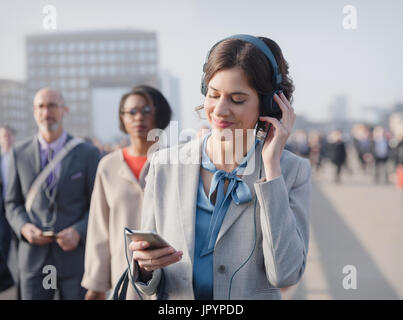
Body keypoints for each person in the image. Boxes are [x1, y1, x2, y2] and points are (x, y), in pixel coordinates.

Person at [129, 35, 311, 300]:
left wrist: (271, 169)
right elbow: (146, 282)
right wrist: (144, 267)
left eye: (237, 99)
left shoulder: (292, 171)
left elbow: (285, 274)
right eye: (214, 95)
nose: (220, 110)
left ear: (270, 104)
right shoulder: (164, 164)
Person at [5, 88, 100, 300]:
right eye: (41, 106)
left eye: (52, 106)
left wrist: (78, 231)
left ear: (64, 110)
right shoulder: (19, 153)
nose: (46, 112)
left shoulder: (87, 153)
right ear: (34, 112)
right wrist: (24, 227)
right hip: (33, 259)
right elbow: (12, 203)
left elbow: (97, 206)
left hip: (74, 259)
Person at [81, 85, 172, 300]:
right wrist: (96, 284)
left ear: (159, 114)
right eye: (131, 111)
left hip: (171, 272)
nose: (138, 117)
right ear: (122, 118)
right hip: (123, 275)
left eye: (146, 110)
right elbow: (99, 229)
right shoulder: (108, 166)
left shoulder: (175, 162)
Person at [0, 126, 16, 294]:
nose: (6, 139)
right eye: (3, 136)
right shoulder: (1, 159)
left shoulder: (20, 156)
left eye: (8, 135)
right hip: (3, 209)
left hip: (18, 207)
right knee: (3, 243)